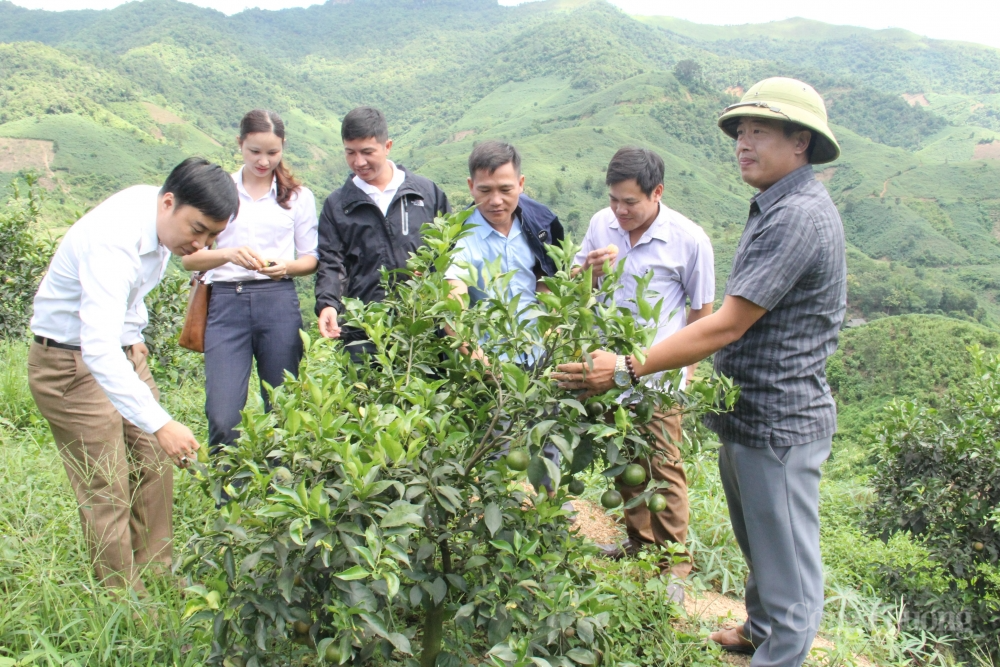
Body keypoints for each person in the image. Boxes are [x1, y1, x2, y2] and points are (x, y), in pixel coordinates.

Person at [554, 77, 846, 667]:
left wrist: (630, 367)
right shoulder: (776, 207)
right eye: (741, 131)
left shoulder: (797, 218)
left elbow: (722, 323)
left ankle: (778, 649)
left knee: (787, 562)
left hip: (781, 419)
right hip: (751, 412)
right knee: (762, 542)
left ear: (801, 142)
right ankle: (758, 630)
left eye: (759, 131)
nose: (743, 143)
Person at [27, 157, 239, 593]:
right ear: (168, 203)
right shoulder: (114, 241)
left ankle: (158, 569)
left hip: (118, 349)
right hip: (70, 362)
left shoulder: (158, 218)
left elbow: (130, 292)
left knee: (154, 461)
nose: (202, 243)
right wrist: (161, 421)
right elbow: (96, 347)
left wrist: (133, 332)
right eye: (198, 229)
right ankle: (123, 597)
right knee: (105, 480)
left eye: (213, 236)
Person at [573, 147, 714, 586]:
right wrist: (589, 274)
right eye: (614, 199)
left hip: (657, 377)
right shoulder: (602, 224)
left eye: (630, 202)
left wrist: (686, 372)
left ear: (657, 192)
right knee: (626, 461)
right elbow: (577, 287)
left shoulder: (689, 240)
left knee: (664, 467)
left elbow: (702, 314)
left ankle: (674, 565)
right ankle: (637, 542)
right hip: (608, 369)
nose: (620, 210)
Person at [182, 109, 318, 451]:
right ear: (240, 144)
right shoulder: (220, 191)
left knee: (284, 409)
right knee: (223, 413)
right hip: (226, 304)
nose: (263, 161)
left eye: (272, 153)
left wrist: (283, 266)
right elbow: (189, 258)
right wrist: (227, 254)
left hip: (278, 303)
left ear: (283, 147)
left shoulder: (297, 197)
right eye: (254, 151)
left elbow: (311, 259)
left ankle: (281, 492)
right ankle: (228, 494)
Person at [445, 140, 564, 491]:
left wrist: (554, 328)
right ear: (470, 187)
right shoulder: (462, 236)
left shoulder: (538, 222)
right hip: (492, 364)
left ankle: (551, 511)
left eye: (505, 189)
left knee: (547, 443)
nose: (496, 201)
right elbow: (454, 306)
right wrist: (480, 362)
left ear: (521, 184)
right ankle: (498, 522)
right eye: (485, 190)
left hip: (540, 357)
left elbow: (546, 281)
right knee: (497, 452)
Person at [314, 106, 450, 359]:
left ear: (387, 146)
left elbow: (450, 250)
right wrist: (328, 304)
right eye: (350, 153)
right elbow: (331, 262)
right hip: (364, 329)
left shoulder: (426, 193)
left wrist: (433, 276)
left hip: (423, 325)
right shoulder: (338, 204)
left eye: (367, 152)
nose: (359, 162)